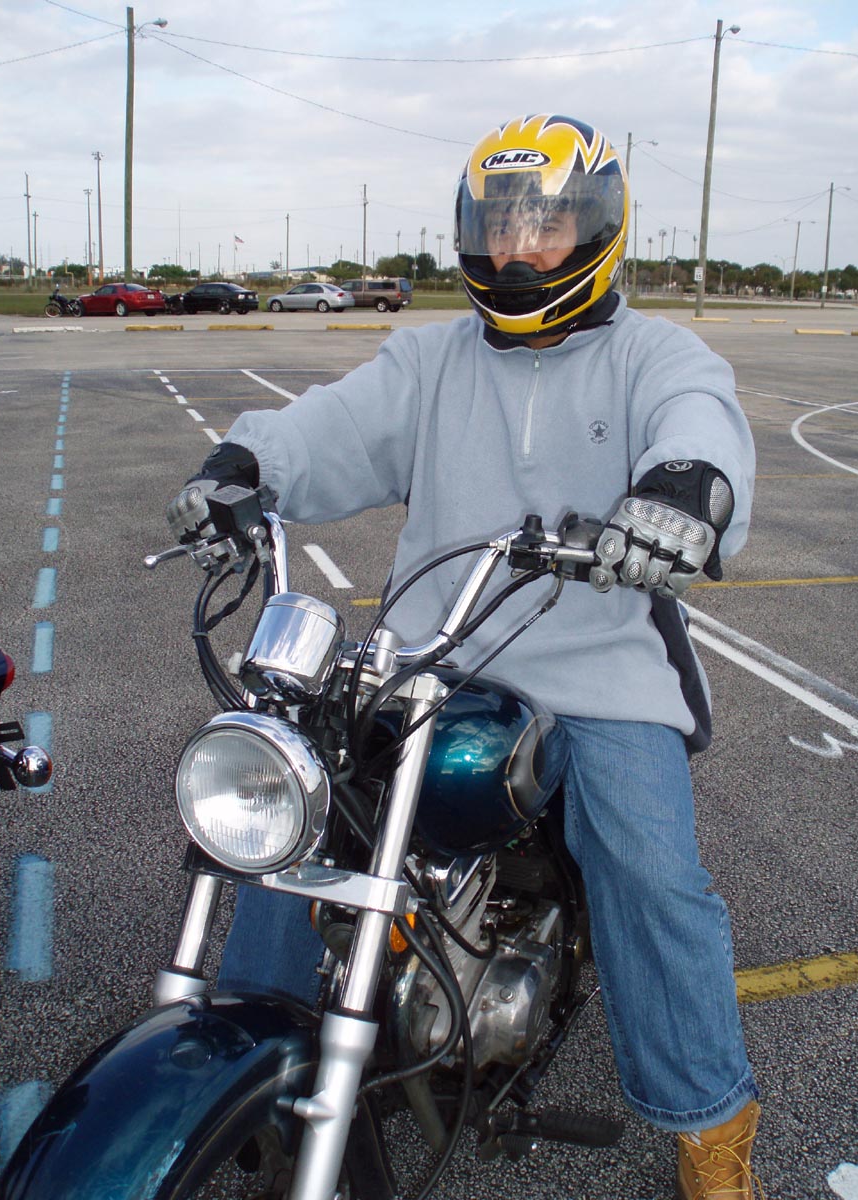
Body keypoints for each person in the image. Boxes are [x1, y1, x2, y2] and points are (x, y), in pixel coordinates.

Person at [167, 114, 761, 1199]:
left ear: (600, 229)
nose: (519, 249)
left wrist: (685, 488)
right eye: (501, 225)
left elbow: (700, 422)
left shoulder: (655, 354)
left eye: (545, 225)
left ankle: (709, 1125)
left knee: (650, 872)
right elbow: (336, 424)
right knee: (297, 811)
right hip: (432, 654)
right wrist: (248, 462)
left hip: (597, 663)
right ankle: (259, 1051)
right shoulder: (432, 357)